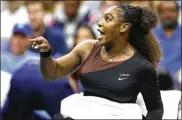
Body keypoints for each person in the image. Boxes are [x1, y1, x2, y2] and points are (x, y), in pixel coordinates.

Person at [29, 4, 164, 119]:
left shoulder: (142, 66)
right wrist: (46, 53)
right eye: (101, 17)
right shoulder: (87, 48)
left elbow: (155, 110)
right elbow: (51, 73)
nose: (100, 23)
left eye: (107, 19)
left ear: (124, 27)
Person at [152, 1, 181, 89]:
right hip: (153, 85)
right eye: (163, 11)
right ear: (159, 14)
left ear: (178, 13)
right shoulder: (151, 35)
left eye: (172, 11)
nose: (168, 15)